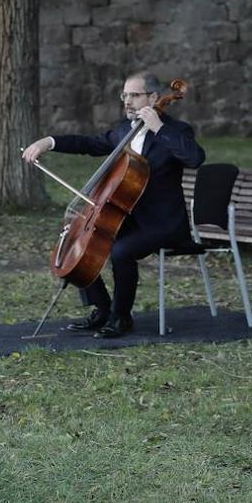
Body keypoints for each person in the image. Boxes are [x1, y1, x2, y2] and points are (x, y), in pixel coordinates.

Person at [23, 71, 206, 338]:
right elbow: (89, 143)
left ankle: (121, 317)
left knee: (121, 251)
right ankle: (102, 309)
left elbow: (195, 158)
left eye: (134, 95)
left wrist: (159, 128)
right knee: (83, 241)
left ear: (154, 97)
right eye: (125, 95)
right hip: (128, 216)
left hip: (163, 223)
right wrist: (48, 142)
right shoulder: (123, 130)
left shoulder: (176, 130)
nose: (127, 101)